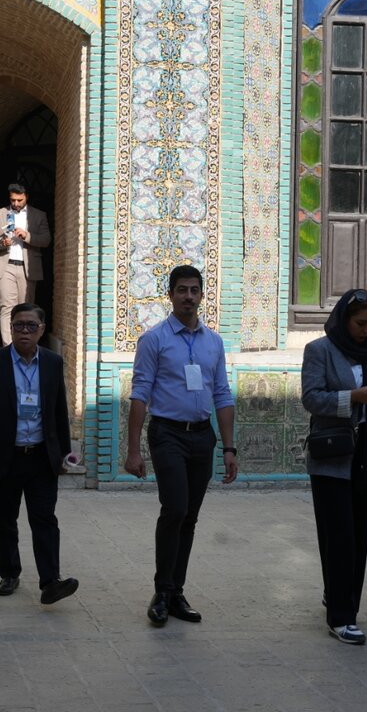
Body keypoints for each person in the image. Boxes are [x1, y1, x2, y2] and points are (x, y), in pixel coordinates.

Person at [124, 265, 237, 627]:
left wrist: (229, 448)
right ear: (170, 295)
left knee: (189, 516)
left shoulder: (213, 342)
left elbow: (222, 394)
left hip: (202, 436)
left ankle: (176, 592)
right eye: (182, 290)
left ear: (202, 295)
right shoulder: (154, 340)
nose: (189, 297)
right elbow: (140, 393)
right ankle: (161, 591)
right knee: (174, 509)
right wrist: (133, 450)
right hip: (167, 434)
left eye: (194, 290)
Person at [300, 288, 367, 645]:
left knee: (359, 533)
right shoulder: (320, 350)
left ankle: (344, 598)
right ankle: (341, 618)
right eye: (361, 324)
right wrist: (353, 397)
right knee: (338, 534)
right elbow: (311, 398)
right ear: (344, 320)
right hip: (332, 456)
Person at [0, 303, 79, 605]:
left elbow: (58, 409)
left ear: (41, 330)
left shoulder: (52, 362)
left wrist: (64, 454)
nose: (24, 331)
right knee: (4, 519)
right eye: (19, 325)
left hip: (41, 456)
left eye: (31, 326)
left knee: (44, 519)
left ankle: (51, 581)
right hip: (5, 455)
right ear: (11, 327)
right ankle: (9, 573)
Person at [0, 183, 50, 345]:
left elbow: (46, 240)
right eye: (13, 200)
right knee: (7, 308)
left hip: (27, 268)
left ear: (26, 197)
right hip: (5, 266)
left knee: (27, 310)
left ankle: (25, 346)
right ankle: (8, 347)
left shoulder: (38, 215)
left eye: (19, 200)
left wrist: (27, 236)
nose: (16, 203)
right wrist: (2, 242)